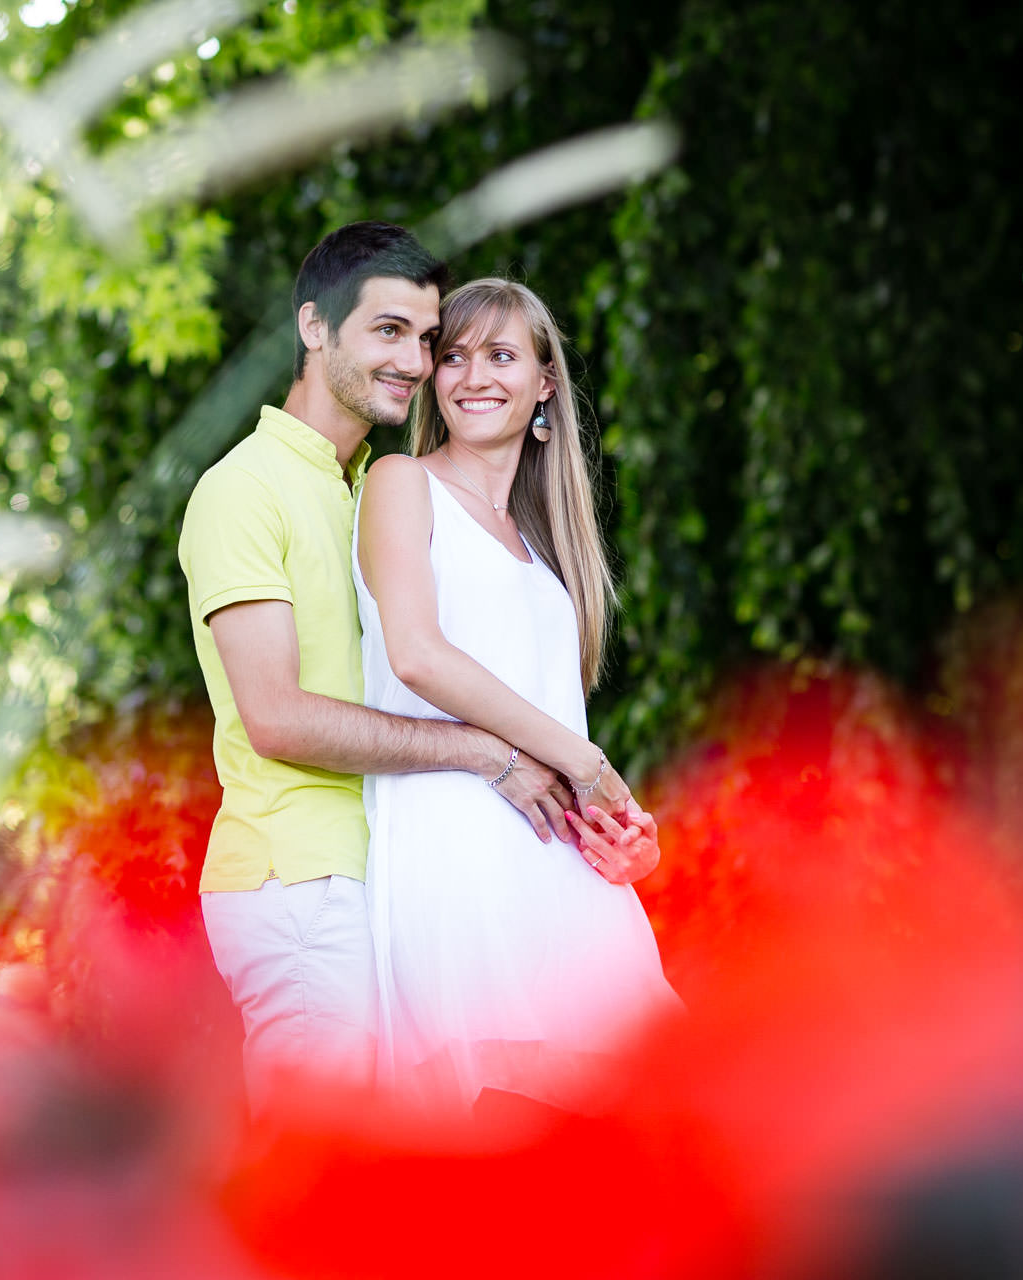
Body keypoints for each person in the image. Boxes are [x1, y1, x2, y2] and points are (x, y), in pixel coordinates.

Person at [177, 225, 579, 1117]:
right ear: (315, 327)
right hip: (298, 881)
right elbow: (277, 717)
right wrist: (487, 752)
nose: (414, 360)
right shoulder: (243, 489)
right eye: (388, 331)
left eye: (425, 339)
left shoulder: (367, 488)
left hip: (379, 876)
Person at [354, 276, 681, 1114]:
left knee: (639, 1146)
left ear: (544, 384)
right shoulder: (400, 483)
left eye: (501, 355)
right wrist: (586, 759)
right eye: (453, 356)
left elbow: (553, 721)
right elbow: (418, 655)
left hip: (562, 873)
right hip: (460, 856)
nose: (473, 376)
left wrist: (622, 835)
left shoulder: (543, 544)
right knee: (499, 1142)